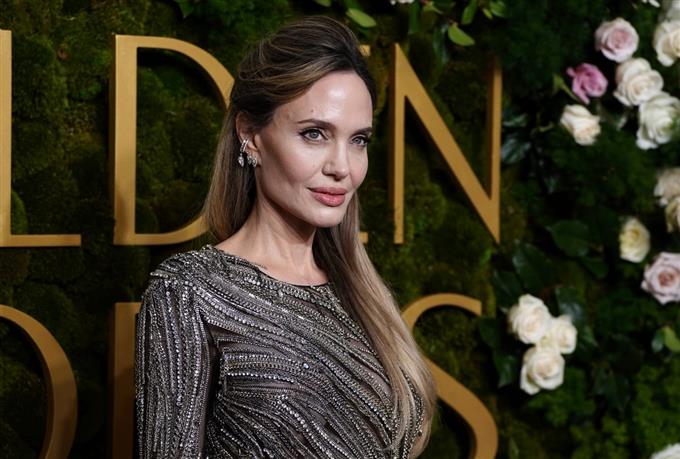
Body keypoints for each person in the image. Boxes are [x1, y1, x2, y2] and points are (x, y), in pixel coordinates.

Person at [135, 15, 437, 458]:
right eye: (314, 134)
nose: (342, 167)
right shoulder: (188, 292)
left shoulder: (363, 297)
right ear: (250, 135)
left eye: (358, 140)